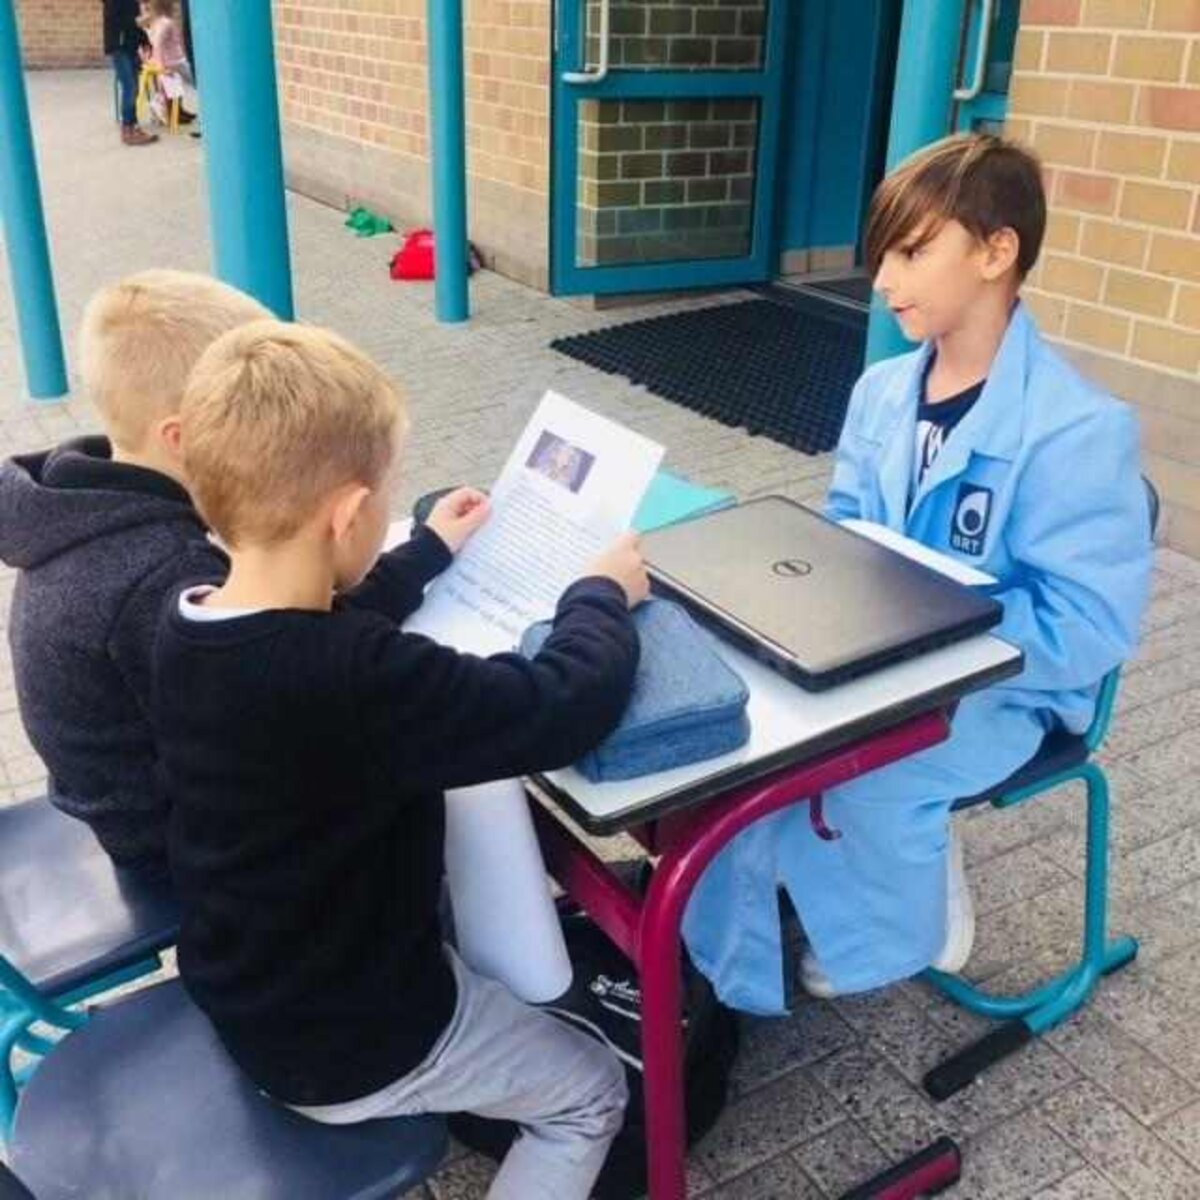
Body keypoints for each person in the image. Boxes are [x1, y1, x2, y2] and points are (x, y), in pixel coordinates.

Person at [157, 320, 649, 1199]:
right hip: (358, 1039)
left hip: (251, 985)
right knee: (590, 1094)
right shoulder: (354, 676)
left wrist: (426, 552)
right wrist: (599, 595)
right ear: (349, 515)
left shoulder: (189, 618)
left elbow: (323, 619)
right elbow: (559, 707)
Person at [682, 133, 1153, 1012]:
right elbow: (845, 535)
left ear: (996, 252)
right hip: (885, 661)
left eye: (910, 252)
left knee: (869, 772)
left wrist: (935, 642)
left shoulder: (1079, 429)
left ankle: (912, 921)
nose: (883, 282)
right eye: (883, 256)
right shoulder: (882, 392)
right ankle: (776, 914)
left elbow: (1089, 626)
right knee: (744, 731)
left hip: (1011, 689)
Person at [0, 271, 270, 875]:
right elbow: (265, 711)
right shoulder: (163, 571)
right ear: (181, 438)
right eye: (255, 418)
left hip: (112, 800)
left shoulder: (81, 504)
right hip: (165, 837)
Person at [102, 0, 156, 146]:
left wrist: (145, 41)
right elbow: (115, 20)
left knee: (135, 88)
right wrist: (137, 21)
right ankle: (127, 129)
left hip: (131, 46)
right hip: (119, 47)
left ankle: (134, 126)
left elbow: (135, 24)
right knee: (129, 87)